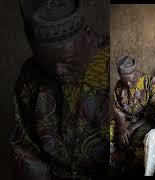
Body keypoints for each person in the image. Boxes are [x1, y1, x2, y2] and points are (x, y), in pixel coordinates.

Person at [11, 0, 109, 179]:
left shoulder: (111, 63)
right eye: (47, 65)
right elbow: (24, 146)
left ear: (87, 35)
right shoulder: (30, 74)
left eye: (67, 62)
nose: (58, 72)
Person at [111, 55, 155, 174]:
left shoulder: (152, 82)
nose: (128, 84)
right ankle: (115, 162)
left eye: (131, 80)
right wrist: (121, 127)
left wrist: (132, 127)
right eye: (125, 81)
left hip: (146, 121)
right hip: (127, 121)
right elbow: (118, 110)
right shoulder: (119, 86)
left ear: (136, 72)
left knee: (136, 138)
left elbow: (153, 113)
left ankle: (137, 168)